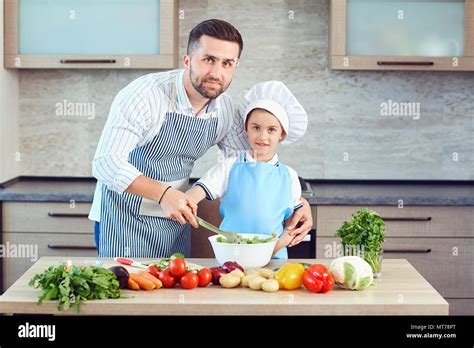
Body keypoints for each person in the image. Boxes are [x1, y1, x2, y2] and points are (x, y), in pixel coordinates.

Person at [89, 19, 313, 258]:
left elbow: (249, 164)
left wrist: (299, 202)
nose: (217, 73)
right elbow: (105, 163)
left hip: (176, 215)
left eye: (227, 63)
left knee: (171, 289)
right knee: (128, 291)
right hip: (124, 215)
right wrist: (164, 194)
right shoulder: (144, 96)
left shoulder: (225, 111)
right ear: (187, 60)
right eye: (208, 60)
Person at [186, 81, 307, 258]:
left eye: (271, 130)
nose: (262, 136)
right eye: (256, 128)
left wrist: (275, 247)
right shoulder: (229, 166)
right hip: (232, 254)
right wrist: (185, 201)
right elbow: (200, 190)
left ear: (282, 134)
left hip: (274, 257)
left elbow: (294, 221)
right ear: (246, 128)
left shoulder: (289, 175)